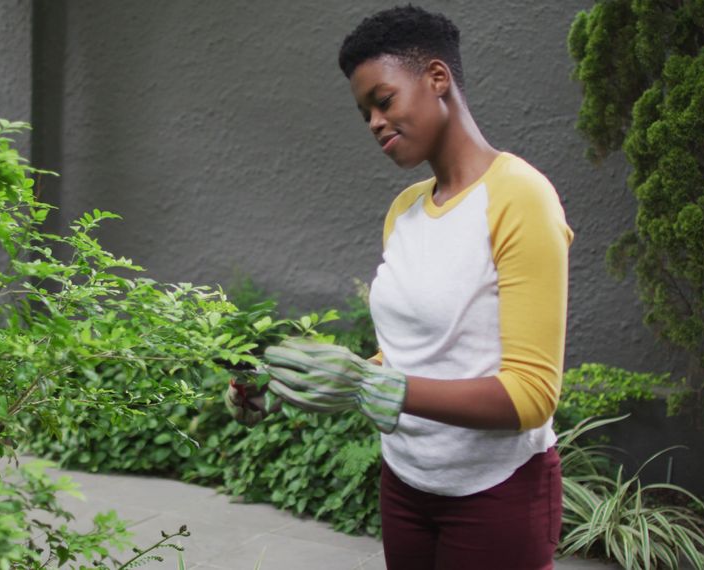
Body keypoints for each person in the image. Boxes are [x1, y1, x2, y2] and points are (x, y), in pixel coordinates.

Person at [226, 5, 573, 569]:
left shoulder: (520, 197)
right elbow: (407, 355)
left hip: (497, 492)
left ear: (437, 79)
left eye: (383, 101)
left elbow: (532, 395)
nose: (374, 123)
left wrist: (375, 385)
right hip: (406, 483)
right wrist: (294, 383)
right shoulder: (404, 211)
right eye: (364, 112)